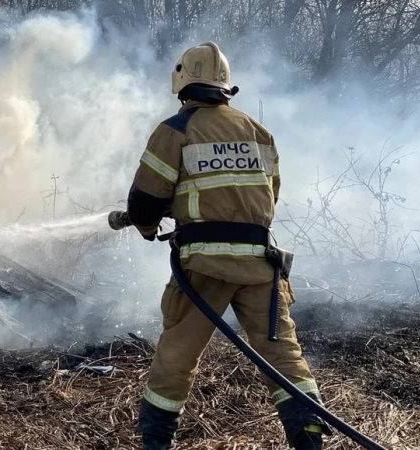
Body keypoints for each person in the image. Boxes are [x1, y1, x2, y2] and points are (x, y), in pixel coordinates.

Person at [126, 42, 330, 450]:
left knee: (177, 355)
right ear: (225, 85)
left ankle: (155, 442)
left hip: (205, 267)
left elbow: (144, 201)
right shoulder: (257, 131)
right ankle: (309, 437)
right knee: (283, 353)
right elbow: (268, 194)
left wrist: (148, 225)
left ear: (182, 81)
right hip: (261, 264)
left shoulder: (176, 130)